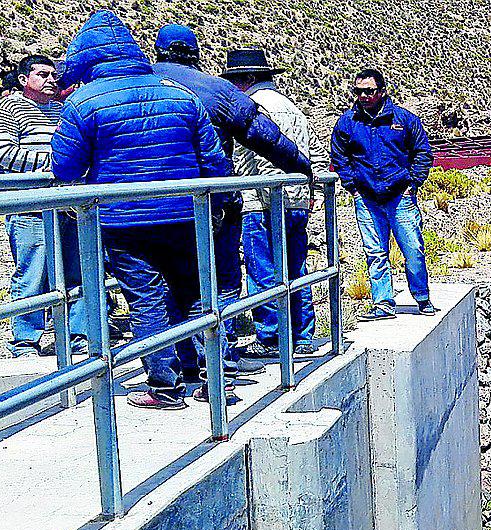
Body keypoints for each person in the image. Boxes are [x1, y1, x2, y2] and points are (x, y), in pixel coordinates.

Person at [52, 10, 232, 410]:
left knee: (146, 298)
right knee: (198, 294)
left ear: (85, 57)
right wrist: (215, 207)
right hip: (187, 215)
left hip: (122, 220)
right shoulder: (179, 95)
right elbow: (215, 162)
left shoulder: (83, 102)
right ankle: (212, 380)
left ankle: (164, 387)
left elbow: (65, 167)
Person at [152, 24, 313, 379]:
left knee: (163, 289)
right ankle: (219, 360)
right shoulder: (217, 91)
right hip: (216, 204)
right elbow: (262, 136)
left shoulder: (138, 85)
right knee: (222, 282)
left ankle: (172, 370)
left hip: (149, 207)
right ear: (194, 54)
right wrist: (302, 168)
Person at [0, 54, 88, 357]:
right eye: (42, 74)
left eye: (53, 75)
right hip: (30, 206)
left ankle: (77, 336)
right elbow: (2, 152)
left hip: (66, 205)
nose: (51, 80)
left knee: (76, 274)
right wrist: (55, 166)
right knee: (33, 274)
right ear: (23, 79)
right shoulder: (8, 108)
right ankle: (25, 341)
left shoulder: (62, 111)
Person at [222, 47, 318, 356]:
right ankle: (302, 334)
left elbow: (267, 162)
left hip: (262, 202)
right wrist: (308, 193)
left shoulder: (252, 108)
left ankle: (272, 337)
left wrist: (266, 193)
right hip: (297, 201)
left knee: (263, 269)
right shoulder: (293, 108)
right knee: (296, 268)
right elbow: (311, 153)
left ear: (247, 79)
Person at [331, 67, 434, 319]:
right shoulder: (347, 122)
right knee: (375, 252)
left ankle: (421, 296)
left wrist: (413, 182)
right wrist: (352, 186)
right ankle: (383, 303)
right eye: (358, 91)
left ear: (382, 91)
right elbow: (339, 155)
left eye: (369, 91)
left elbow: (422, 152)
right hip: (366, 198)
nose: (363, 96)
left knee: (413, 249)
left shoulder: (404, 119)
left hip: (400, 196)